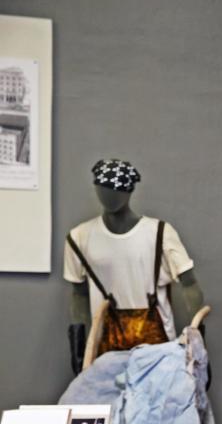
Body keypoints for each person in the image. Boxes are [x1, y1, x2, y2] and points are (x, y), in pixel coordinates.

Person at [63, 159, 205, 373]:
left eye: (116, 189)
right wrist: (80, 347)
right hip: (104, 351)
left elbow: (189, 283)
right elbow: (79, 294)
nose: (109, 195)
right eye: (104, 188)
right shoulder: (79, 237)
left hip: (158, 349)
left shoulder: (160, 234)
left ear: (129, 191)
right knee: (105, 402)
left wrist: (196, 337)